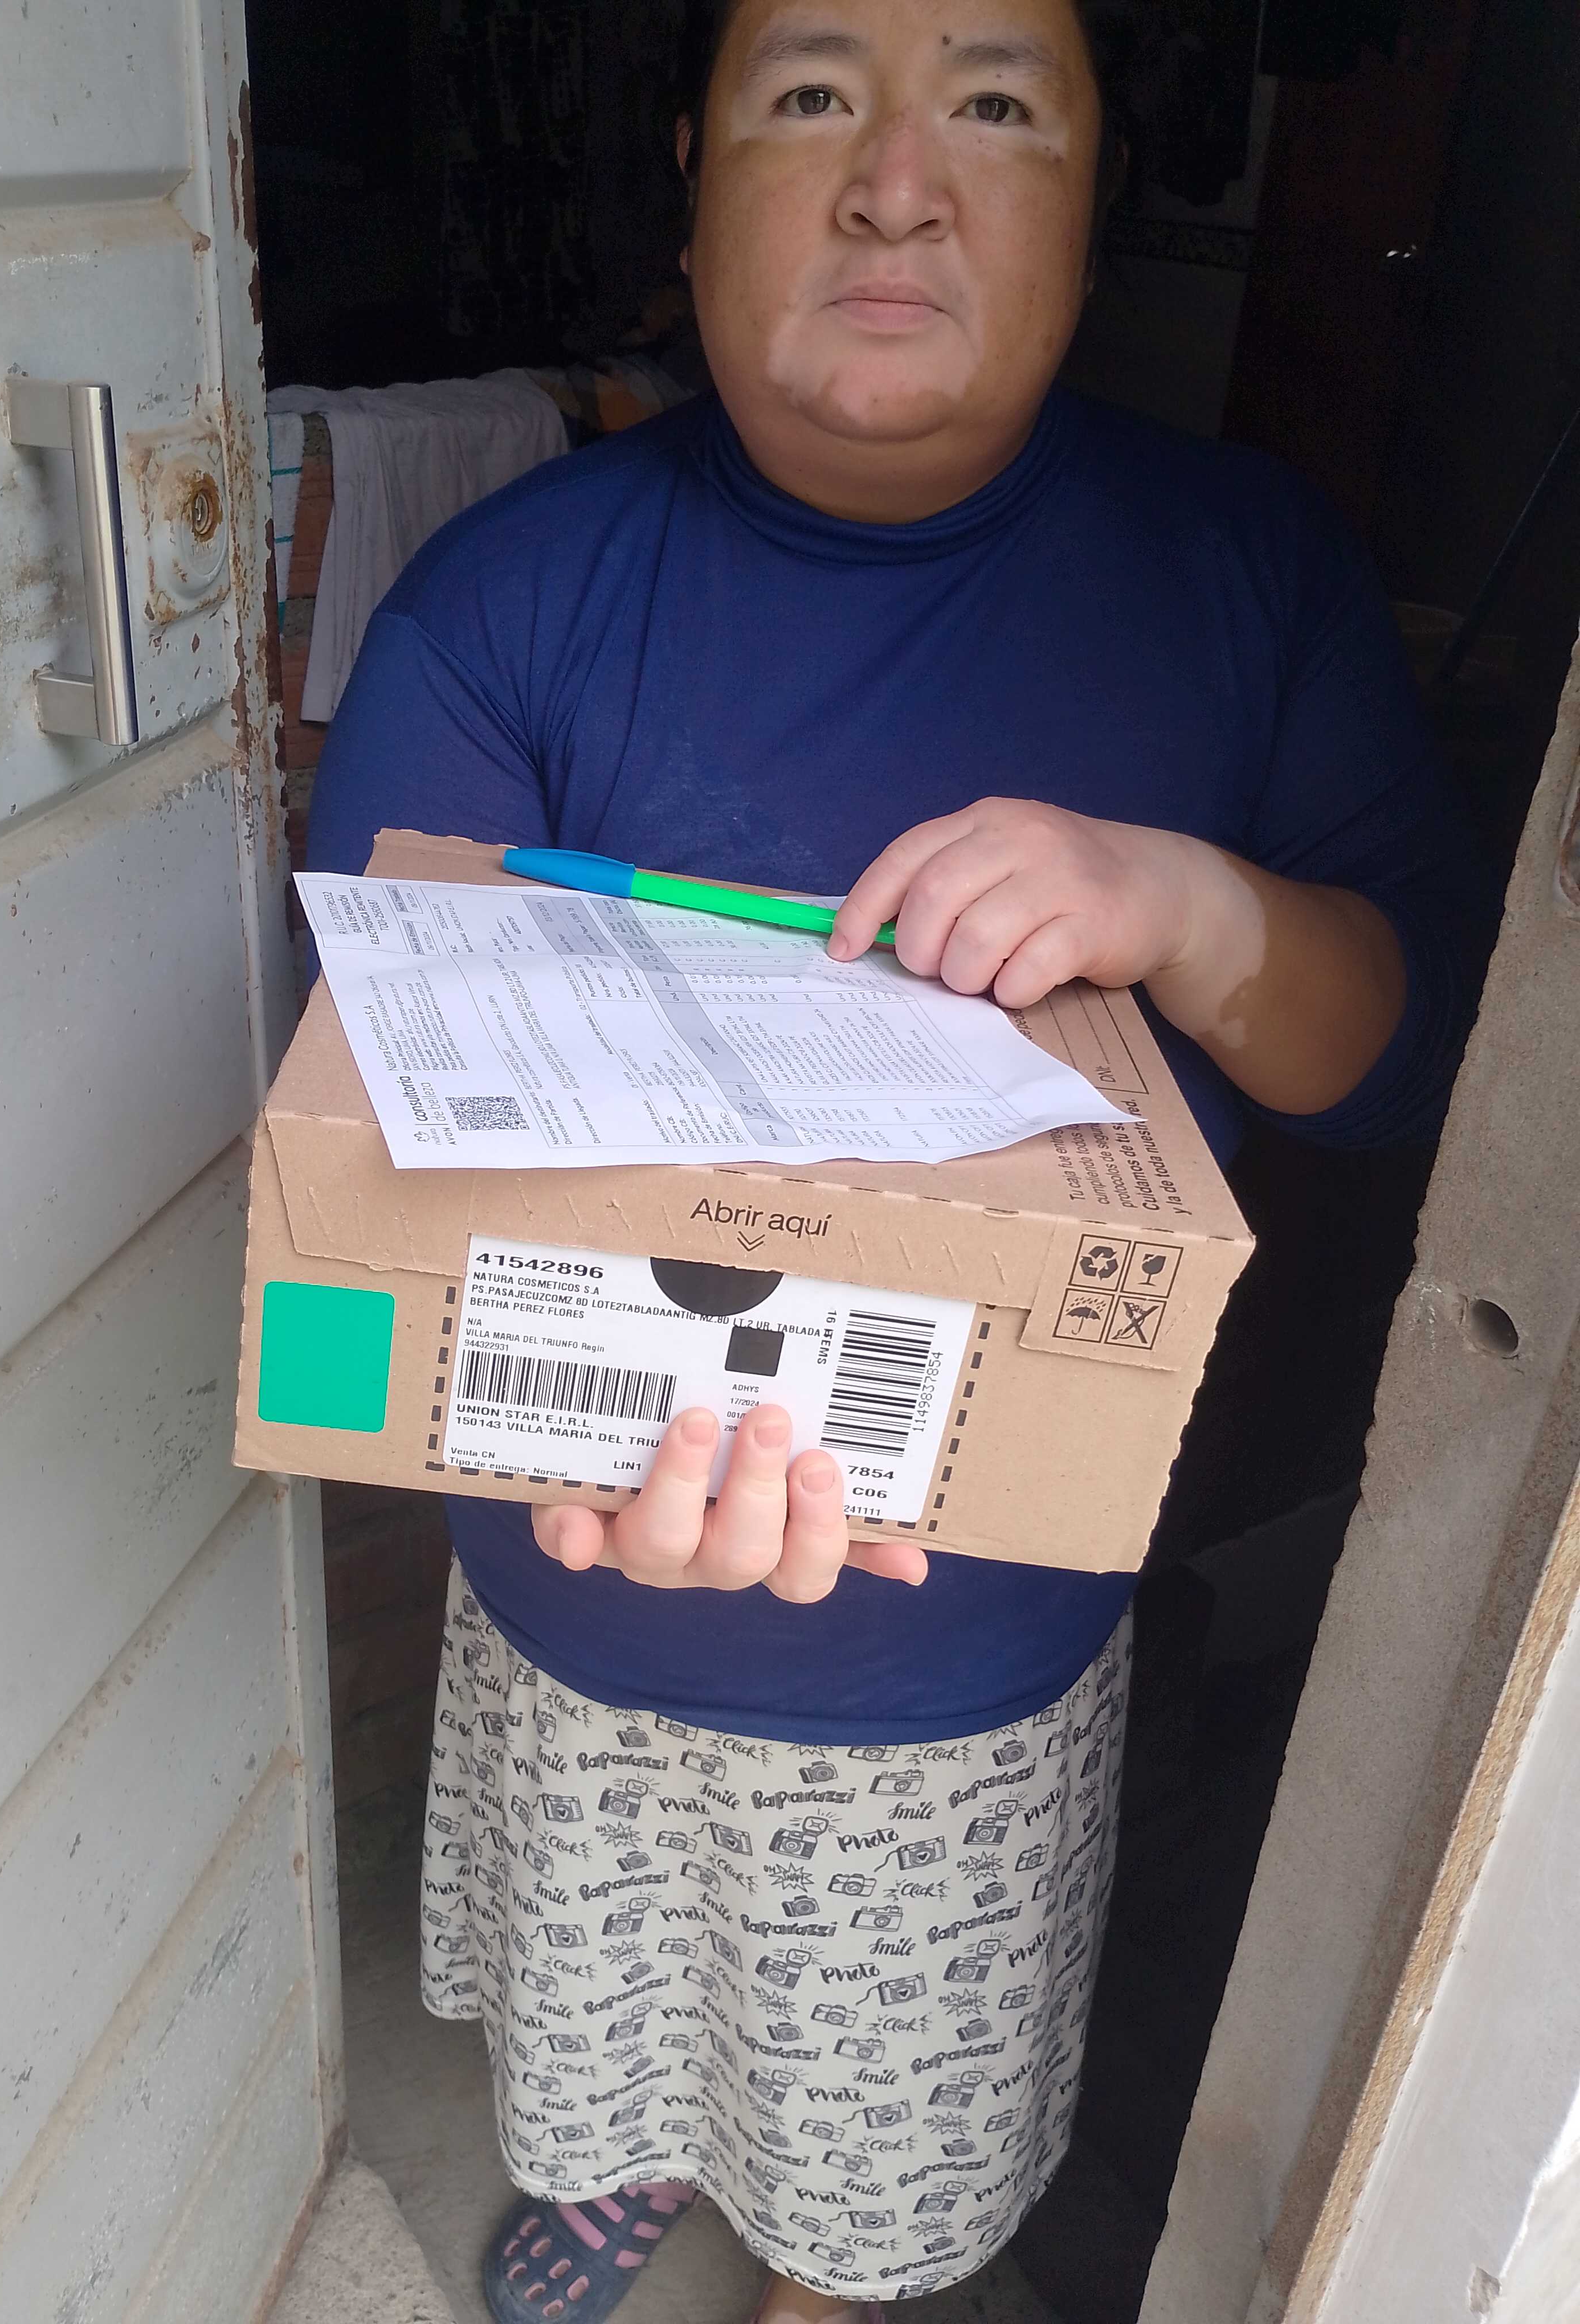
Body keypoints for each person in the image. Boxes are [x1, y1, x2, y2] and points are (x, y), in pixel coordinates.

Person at [305, 1, 1489, 2317]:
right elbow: (372, 1140)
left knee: (872, 2148)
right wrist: (538, 1401)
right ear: (696, 176)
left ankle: (828, 2274)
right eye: (816, 93)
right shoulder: (505, 600)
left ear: (1092, 199)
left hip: (978, 1655)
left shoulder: (1246, 573)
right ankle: (630, 2161)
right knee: (612, 2006)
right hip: (584, 1577)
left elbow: (1406, 1065)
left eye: (998, 103)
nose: (897, 180)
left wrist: (1191, 907)